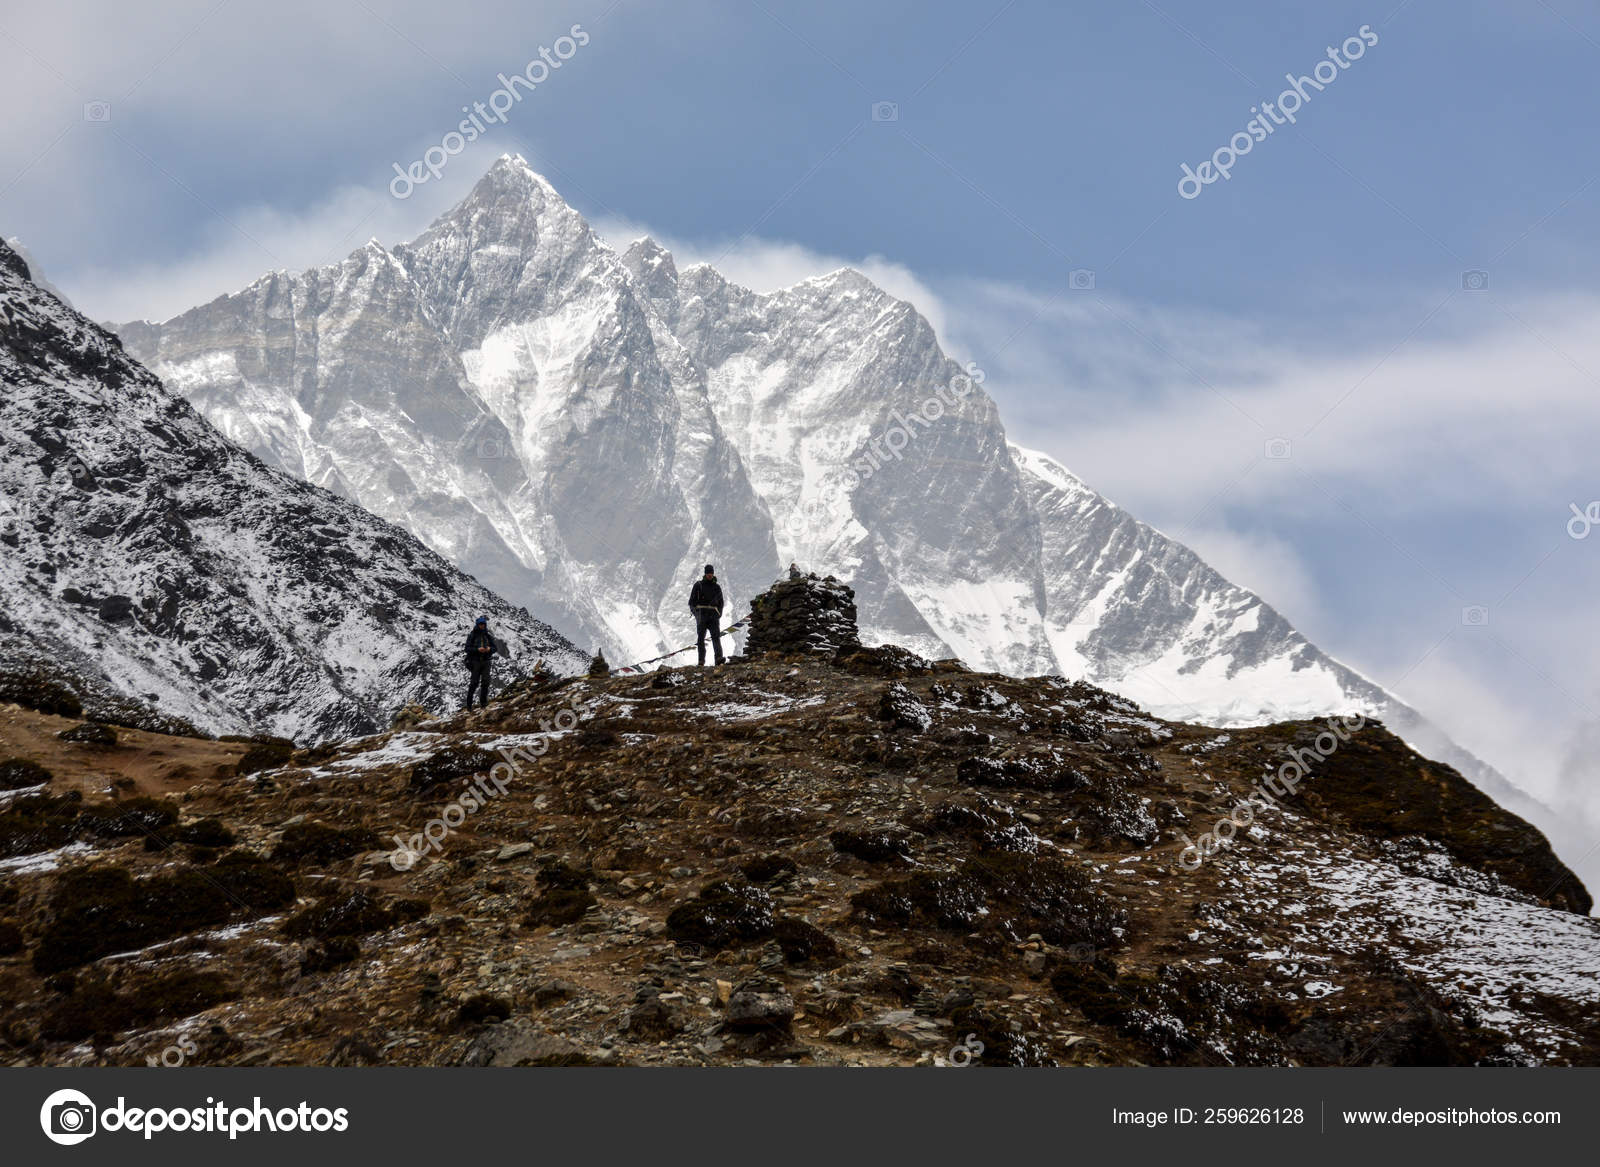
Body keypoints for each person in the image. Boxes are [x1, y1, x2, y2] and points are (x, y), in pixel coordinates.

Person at [688, 563, 725, 666]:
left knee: (716, 637)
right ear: (705, 574)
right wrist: (697, 614)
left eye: (711, 573)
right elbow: (691, 602)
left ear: (713, 574)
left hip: (713, 616)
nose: (710, 575)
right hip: (702, 615)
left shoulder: (717, 587)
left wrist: (719, 614)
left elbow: (721, 603)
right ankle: (701, 661)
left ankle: (718, 658)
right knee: (700, 639)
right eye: (708, 573)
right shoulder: (698, 585)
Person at [464, 615, 497, 709]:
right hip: (475, 661)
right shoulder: (472, 635)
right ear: (477, 625)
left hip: (486, 661)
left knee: (486, 682)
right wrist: (477, 650)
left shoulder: (487, 635)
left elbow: (495, 648)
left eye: (483, 624)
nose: (482, 626)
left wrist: (489, 649)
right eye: (480, 624)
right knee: (474, 683)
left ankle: (483, 703)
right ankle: (469, 705)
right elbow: (467, 649)